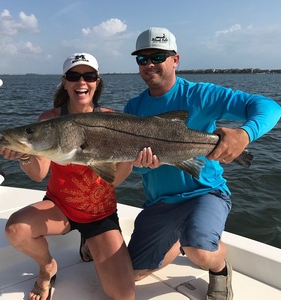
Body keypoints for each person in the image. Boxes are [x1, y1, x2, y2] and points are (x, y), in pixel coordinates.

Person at [120, 27, 281, 299]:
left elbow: (269, 107)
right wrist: (140, 164)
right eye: (142, 59)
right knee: (129, 276)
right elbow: (130, 164)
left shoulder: (201, 94)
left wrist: (244, 133)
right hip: (160, 203)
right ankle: (179, 239)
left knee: (200, 251)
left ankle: (219, 269)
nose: (150, 65)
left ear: (175, 59)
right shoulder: (133, 108)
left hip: (205, 192)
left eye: (158, 56)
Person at [0, 53, 135, 300]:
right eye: (74, 76)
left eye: (89, 76)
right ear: (64, 82)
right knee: (16, 230)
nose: (81, 82)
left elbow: (115, 180)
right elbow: (39, 174)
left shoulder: (113, 119)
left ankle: (89, 240)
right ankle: (47, 267)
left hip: (100, 213)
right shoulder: (49, 121)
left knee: (123, 293)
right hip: (60, 207)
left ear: (97, 81)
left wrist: (130, 156)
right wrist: (24, 154)